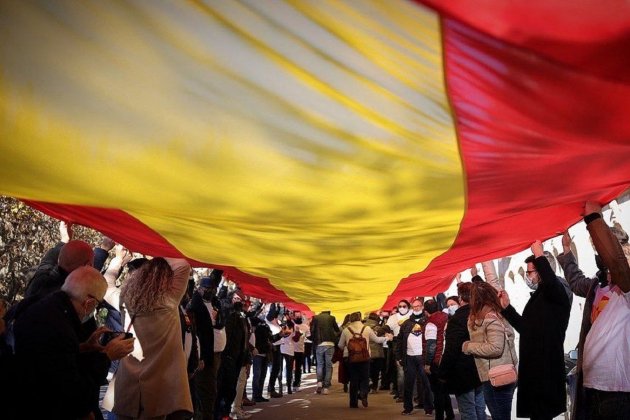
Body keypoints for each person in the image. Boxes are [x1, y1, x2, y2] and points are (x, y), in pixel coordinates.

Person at [13, 266, 134, 419]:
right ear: (89, 302)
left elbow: (52, 355)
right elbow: (71, 389)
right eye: (97, 304)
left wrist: (84, 347)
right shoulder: (58, 325)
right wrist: (107, 355)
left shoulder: (47, 307)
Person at [557, 201, 630, 419]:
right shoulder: (597, 287)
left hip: (617, 391)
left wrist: (594, 219)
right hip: (591, 385)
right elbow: (575, 280)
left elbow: (617, 263)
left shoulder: (626, 290)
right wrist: (567, 252)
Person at [113, 258, 194, 420]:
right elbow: (183, 265)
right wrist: (158, 257)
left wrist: (117, 260)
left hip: (127, 383)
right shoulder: (169, 300)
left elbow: (107, 282)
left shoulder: (124, 299)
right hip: (157, 387)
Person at [499, 240, 571, 420]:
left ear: (541, 271)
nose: (528, 276)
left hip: (546, 372)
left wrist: (539, 255)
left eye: (530, 272)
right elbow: (526, 328)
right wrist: (507, 308)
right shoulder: (539, 297)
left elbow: (551, 283)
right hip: (535, 372)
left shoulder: (558, 292)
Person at [463, 281, 517, 420]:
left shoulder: (490, 318)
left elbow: (495, 348)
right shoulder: (495, 314)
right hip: (496, 374)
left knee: (499, 416)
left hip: (497, 376)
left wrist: (469, 346)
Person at [438, 282, 485, 420]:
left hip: (463, 371)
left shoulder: (457, 319)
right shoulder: (482, 315)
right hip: (481, 368)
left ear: (460, 299)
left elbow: (452, 348)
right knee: (479, 407)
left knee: (468, 410)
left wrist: (442, 372)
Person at [337, 311, 391, 408]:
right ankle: (363, 393)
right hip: (365, 357)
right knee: (364, 378)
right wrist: (387, 338)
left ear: (350, 320)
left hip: (351, 358)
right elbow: (378, 340)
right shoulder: (367, 329)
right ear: (360, 319)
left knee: (353, 379)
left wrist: (347, 346)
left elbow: (340, 345)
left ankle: (353, 403)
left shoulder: (346, 330)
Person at [396, 298, 433, 416]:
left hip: (423, 357)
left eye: (418, 306)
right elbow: (399, 340)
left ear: (422, 307)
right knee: (409, 383)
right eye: (414, 306)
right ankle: (408, 408)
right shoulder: (406, 323)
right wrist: (399, 356)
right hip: (409, 357)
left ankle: (428, 408)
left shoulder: (428, 321)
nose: (416, 308)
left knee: (426, 383)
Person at [423, 299, 454, 420]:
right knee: (443, 389)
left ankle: (440, 416)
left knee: (438, 391)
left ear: (426, 312)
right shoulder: (447, 316)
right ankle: (450, 414)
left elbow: (431, 344)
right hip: (447, 357)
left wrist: (427, 364)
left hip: (437, 360)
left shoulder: (431, 323)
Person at [310, 309, 340, 394]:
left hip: (319, 344)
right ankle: (326, 387)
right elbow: (337, 330)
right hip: (330, 344)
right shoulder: (332, 318)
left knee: (320, 364)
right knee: (328, 365)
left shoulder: (315, 318)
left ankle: (319, 383)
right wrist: (334, 337)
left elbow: (312, 331)